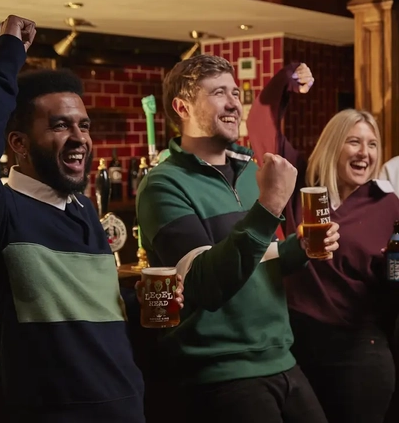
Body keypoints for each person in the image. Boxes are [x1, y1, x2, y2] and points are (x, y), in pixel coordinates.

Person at [0, 14, 166, 422]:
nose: (79, 138)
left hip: (127, 406)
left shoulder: (83, 207)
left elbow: (93, 309)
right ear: (18, 143)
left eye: (84, 126)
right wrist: (8, 52)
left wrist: (145, 299)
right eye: (60, 126)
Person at [136, 54, 340, 423]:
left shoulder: (252, 171)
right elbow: (203, 284)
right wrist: (270, 204)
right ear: (182, 107)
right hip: (219, 372)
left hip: (281, 355)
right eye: (218, 93)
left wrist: (305, 246)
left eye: (235, 92)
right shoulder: (162, 185)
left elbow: (263, 259)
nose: (234, 103)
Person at [247, 63, 399, 423]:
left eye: (373, 144)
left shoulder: (388, 204)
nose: (365, 153)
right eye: (354, 141)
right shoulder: (300, 185)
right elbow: (260, 127)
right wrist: (286, 80)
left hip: (358, 353)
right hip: (294, 347)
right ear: (333, 144)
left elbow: (394, 281)